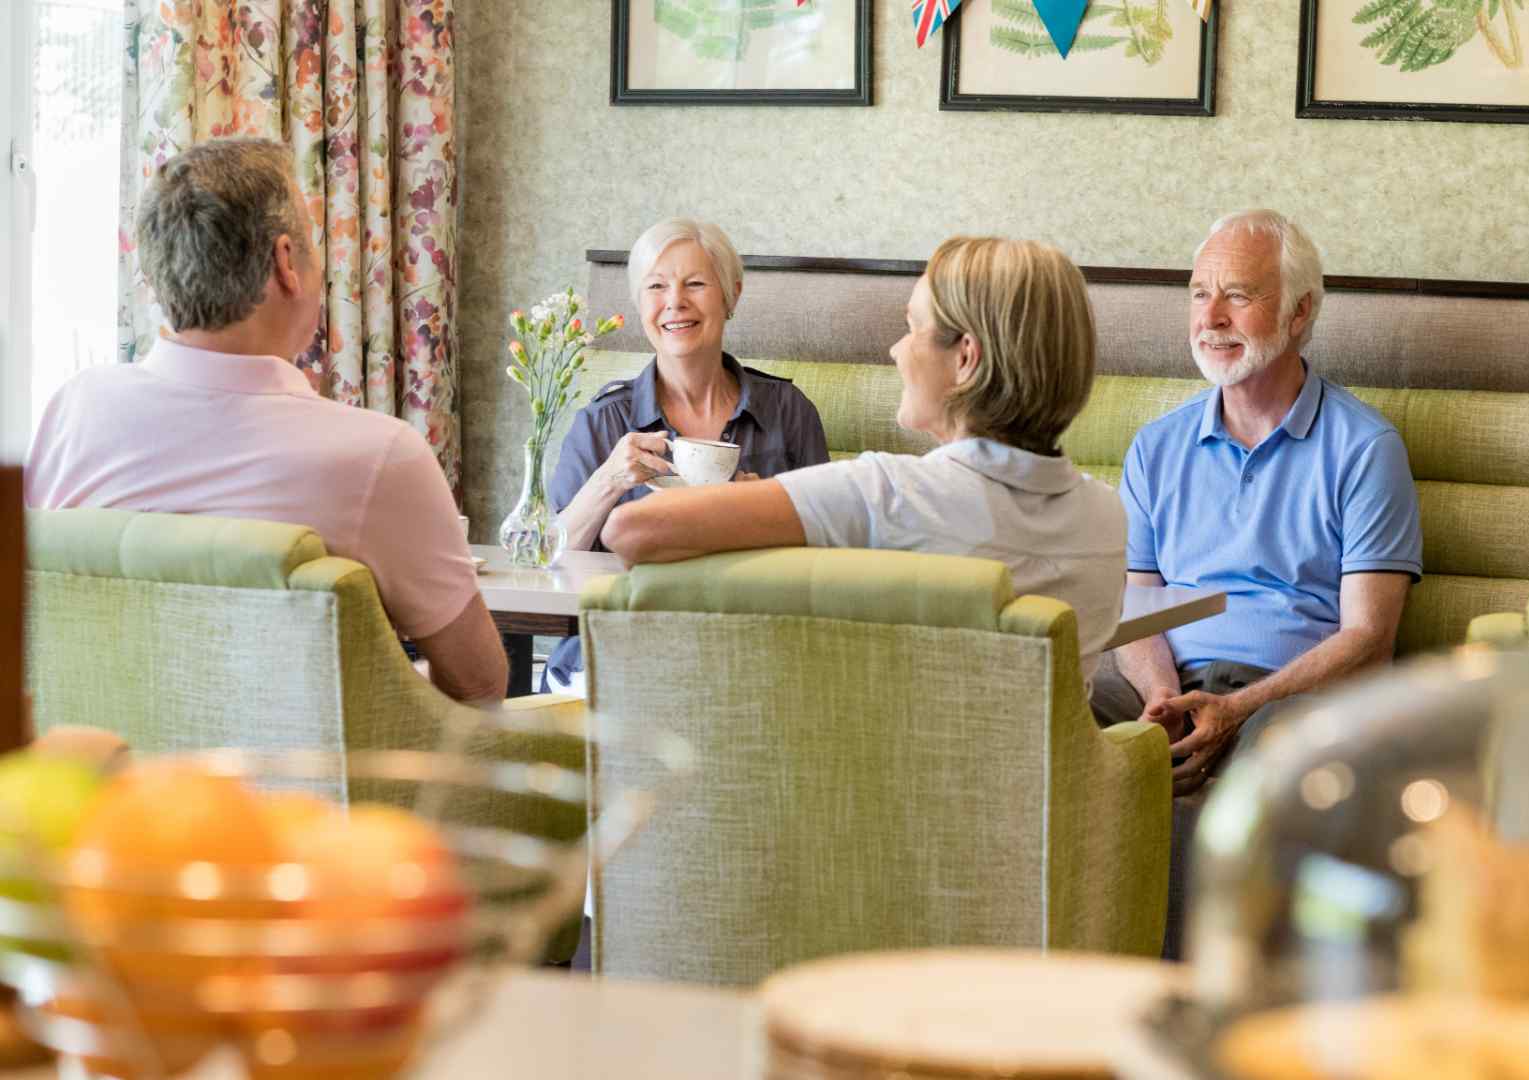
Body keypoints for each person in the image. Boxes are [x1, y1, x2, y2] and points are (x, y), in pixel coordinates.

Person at [24, 137, 507, 702]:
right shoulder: (376, 455)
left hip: (96, 782)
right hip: (293, 790)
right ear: (285, 263)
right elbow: (478, 684)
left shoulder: (75, 409)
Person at [600, 235, 1126, 678]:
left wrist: (761, 517)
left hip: (877, 793)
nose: (897, 350)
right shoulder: (1107, 517)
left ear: (966, 358)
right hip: (1047, 796)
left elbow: (631, 529)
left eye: (914, 327)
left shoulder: (886, 493)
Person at [1093, 210, 1422, 796]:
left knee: (1273, 763)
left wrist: (1239, 707)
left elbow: (1369, 641)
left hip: (1286, 693)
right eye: (1199, 294)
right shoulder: (1156, 446)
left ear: (1300, 312)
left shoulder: (1367, 449)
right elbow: (1137, 604)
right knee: (1057, 711)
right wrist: (1163, 701)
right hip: (1166, 681)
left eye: (1237, 295)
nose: (1211, 318)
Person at [539, 218, 830, 693]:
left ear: (731, 295)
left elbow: (831, 554)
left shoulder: (788, 412)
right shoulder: (602, 422)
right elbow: (552, 561)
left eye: (696, 283)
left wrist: (765, 514)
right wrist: (610, 479)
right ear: (639, 304)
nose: (675, 301)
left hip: (754, 648)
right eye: (656, 286)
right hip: (627, 644)